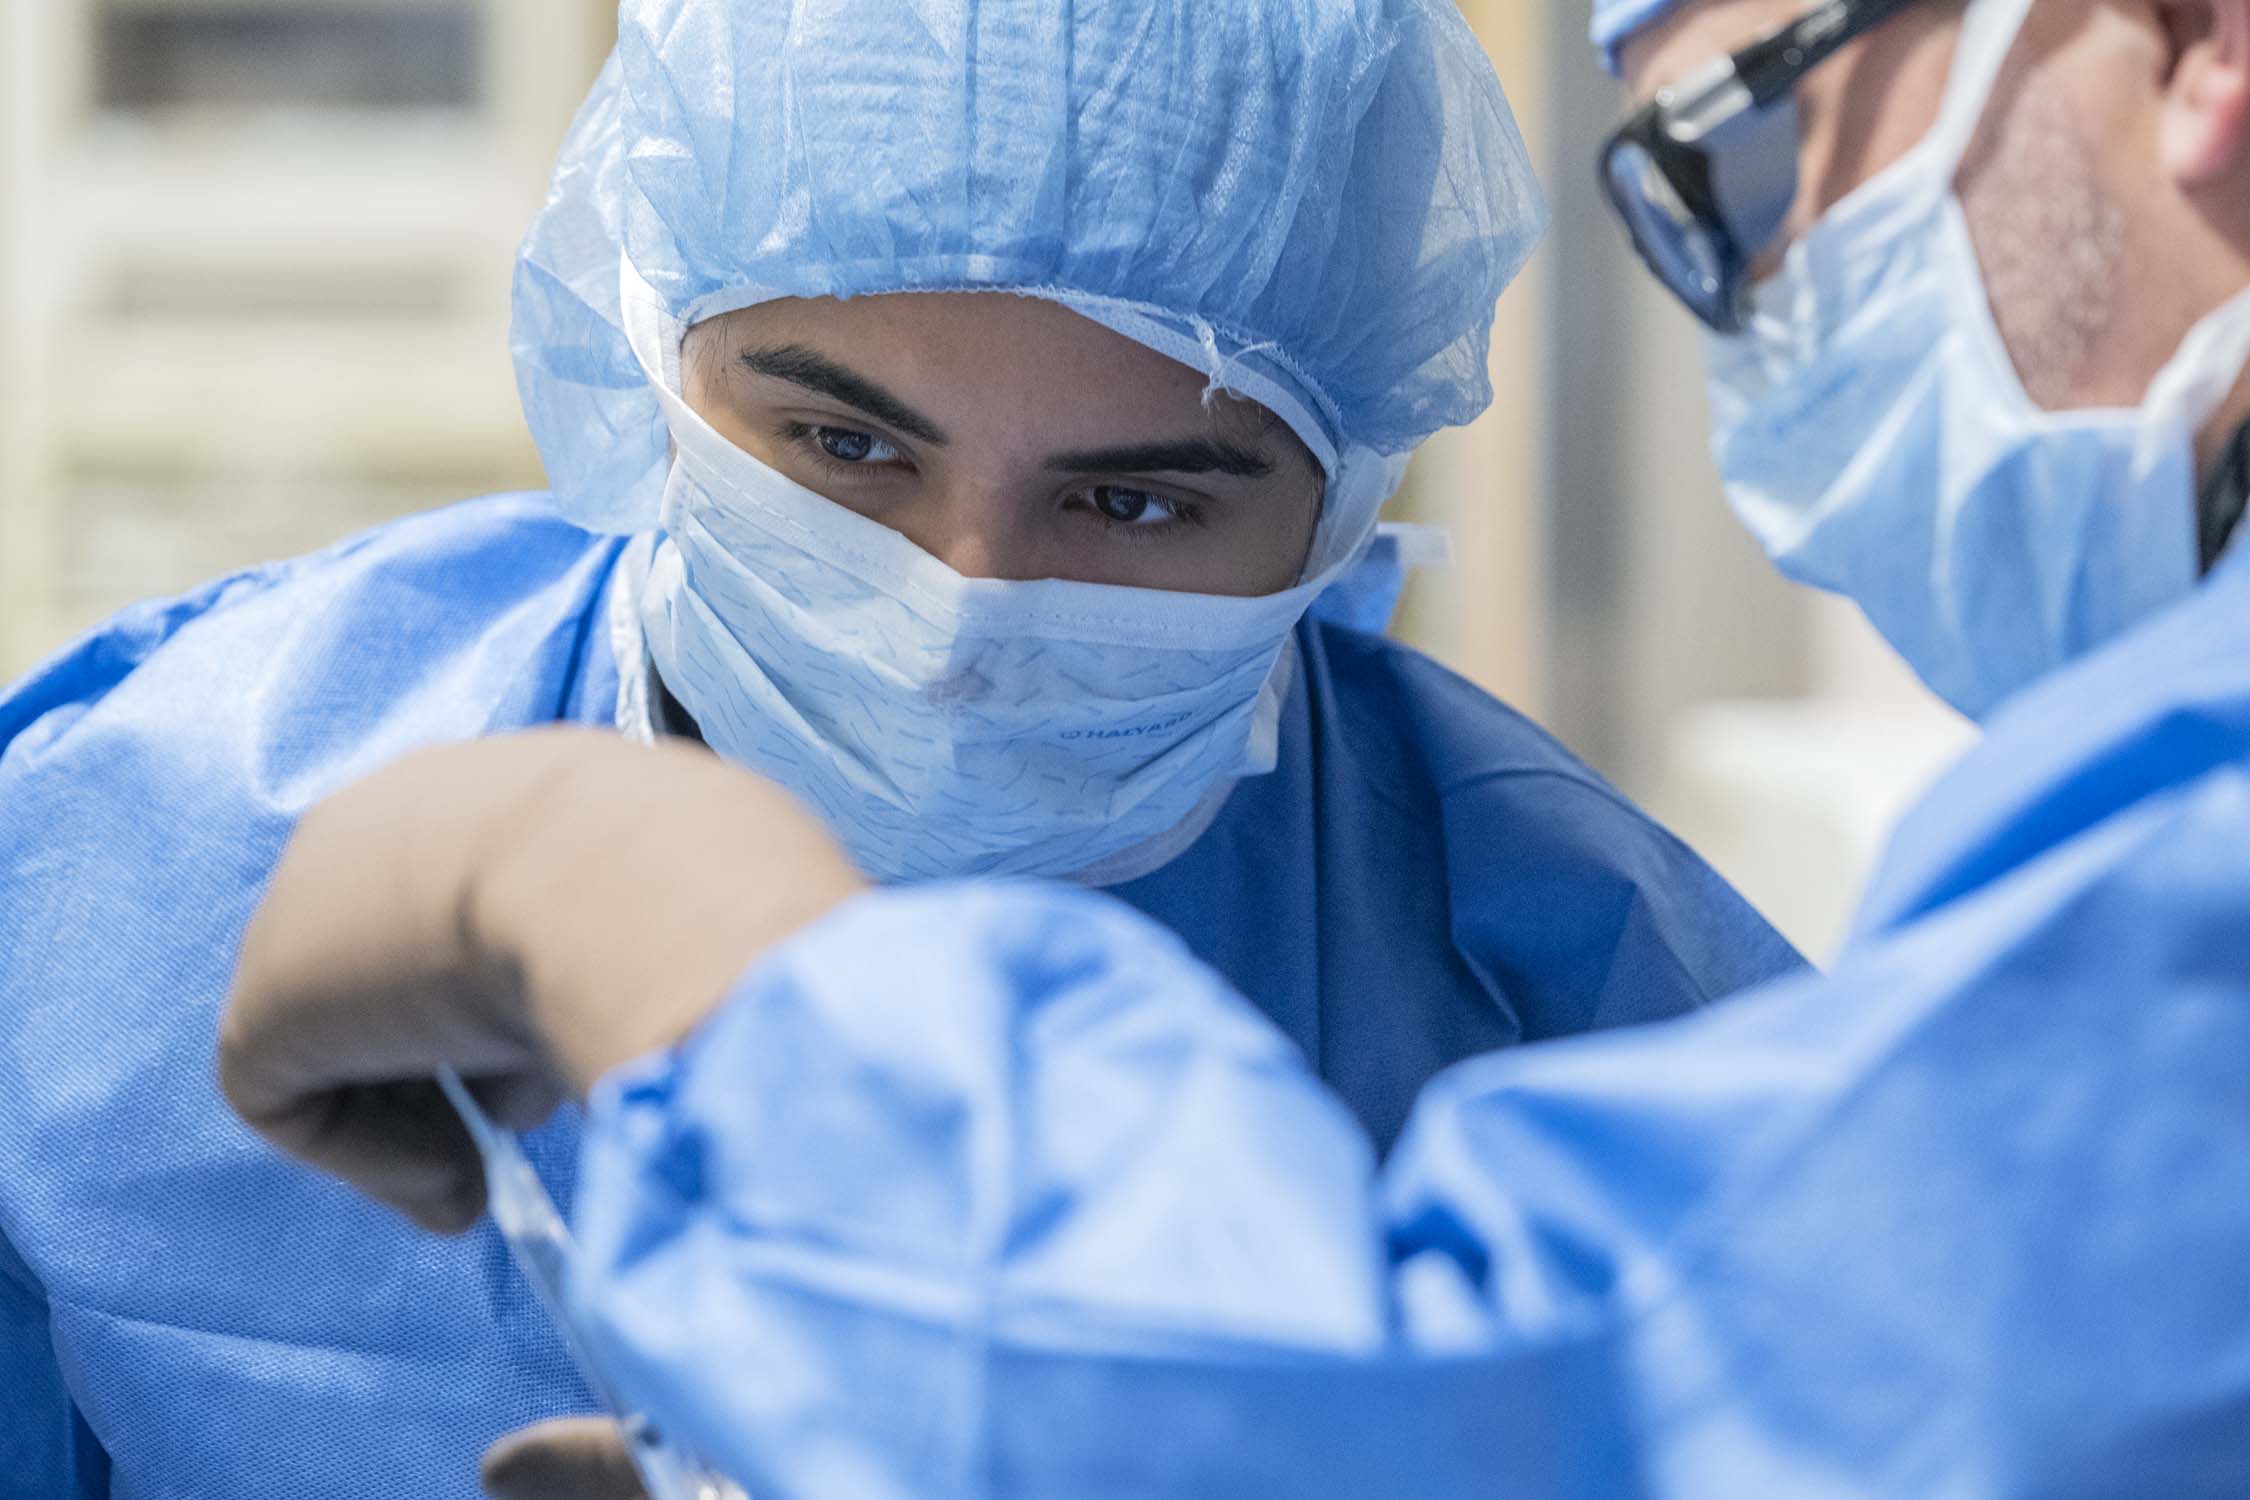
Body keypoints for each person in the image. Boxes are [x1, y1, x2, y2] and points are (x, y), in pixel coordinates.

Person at [216, 0, 2250, 1493]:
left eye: (1733, 148)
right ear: (650, 352)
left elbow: (1465, 1426)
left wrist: (652, 919)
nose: (958, 617)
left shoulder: (1584, 966)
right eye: (839, 443)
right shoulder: (141, 816)